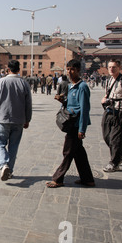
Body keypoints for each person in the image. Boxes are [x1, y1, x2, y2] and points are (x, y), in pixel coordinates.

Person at [47, 60, 95, 188]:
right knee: (79, 153)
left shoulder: (82, 87)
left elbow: (85, 109)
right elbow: (70, 104)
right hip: (70, 122)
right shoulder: (70, 86)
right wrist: (62, 100)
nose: (69, 72)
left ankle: (58, 178)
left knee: (68, 152)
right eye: (68, 69)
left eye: (72, 69)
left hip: (75, 125)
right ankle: (87, 178)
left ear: (78, 70)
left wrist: (82, 129)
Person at [0, 61, 32, 181]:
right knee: (14, 145)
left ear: (8, 69)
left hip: (3, 118)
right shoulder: (24, 83)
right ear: (19, 69)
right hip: (19, 120)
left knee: (0, 143)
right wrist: (28, 119)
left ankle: (3, 164)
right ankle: (9, 170)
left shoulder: (1, 82)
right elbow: (28, 104)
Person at [101, 60, 122, 173]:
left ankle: (114, 162)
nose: (111, 69)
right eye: (110, 67)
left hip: (120, 112)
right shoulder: (109, 79)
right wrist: (104, 98)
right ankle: (120, 152)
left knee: (116, 139)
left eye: (114, 67)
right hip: (109, 111)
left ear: (119, 67)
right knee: (106, 136)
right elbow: (108, 93)